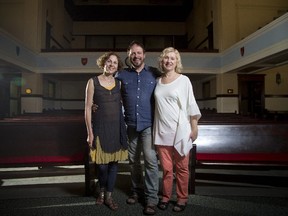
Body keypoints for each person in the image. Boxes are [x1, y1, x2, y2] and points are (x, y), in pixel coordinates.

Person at [153, 47, 201, 212]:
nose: (169, 61)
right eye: (166, 58)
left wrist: (194, 127)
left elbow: (191, 105)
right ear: (162, 60)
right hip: (161, 131)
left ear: (176, 61)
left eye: (172, 58)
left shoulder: (184, 80)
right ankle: (166, 197)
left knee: (182, 168)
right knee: (166, 170)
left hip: (180, 131)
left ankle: (182, 198)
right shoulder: (157, 81)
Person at [115, 41, 160, 215]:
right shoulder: (122, 75)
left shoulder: (154, 74)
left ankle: (151, 198)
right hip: (131, 125)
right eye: (133, 53)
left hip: (148, 125)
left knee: (150, 161)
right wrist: (95, 104)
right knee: (133, 161)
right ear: (129, 55)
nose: (136, 56)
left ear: (144, 55)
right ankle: (136, 191)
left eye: (139, 53)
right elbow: (107, 88)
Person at [84, 52, 128, 211]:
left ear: (118, 67)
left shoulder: (119, 83)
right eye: (109, 61)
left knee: (114, 165)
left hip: (116, 128)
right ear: (103, 62)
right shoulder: (92, 81)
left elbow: (122, 104)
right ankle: (101, 190)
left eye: (115, 63)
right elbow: (88, 108)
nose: (111, 64)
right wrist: (90, 133)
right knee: (101, 166)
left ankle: (108, 195)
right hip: (100, 128)